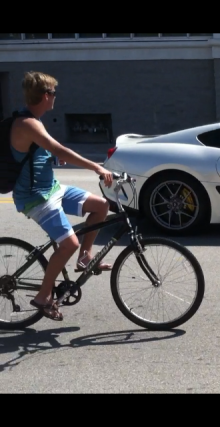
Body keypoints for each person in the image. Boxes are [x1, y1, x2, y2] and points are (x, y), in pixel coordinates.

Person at [10, 71, 114, 321]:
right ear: (46, 95)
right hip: (36, 197)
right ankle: (43, 296)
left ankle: (85, 258)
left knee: (101, 206)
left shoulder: (35, 119)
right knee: (69, 242)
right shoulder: (27, 123)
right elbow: (59, 147)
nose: (56, 97)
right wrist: (97, 167)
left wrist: (56, 158)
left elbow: (46, 153)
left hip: (53, 188)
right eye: (54, 93)